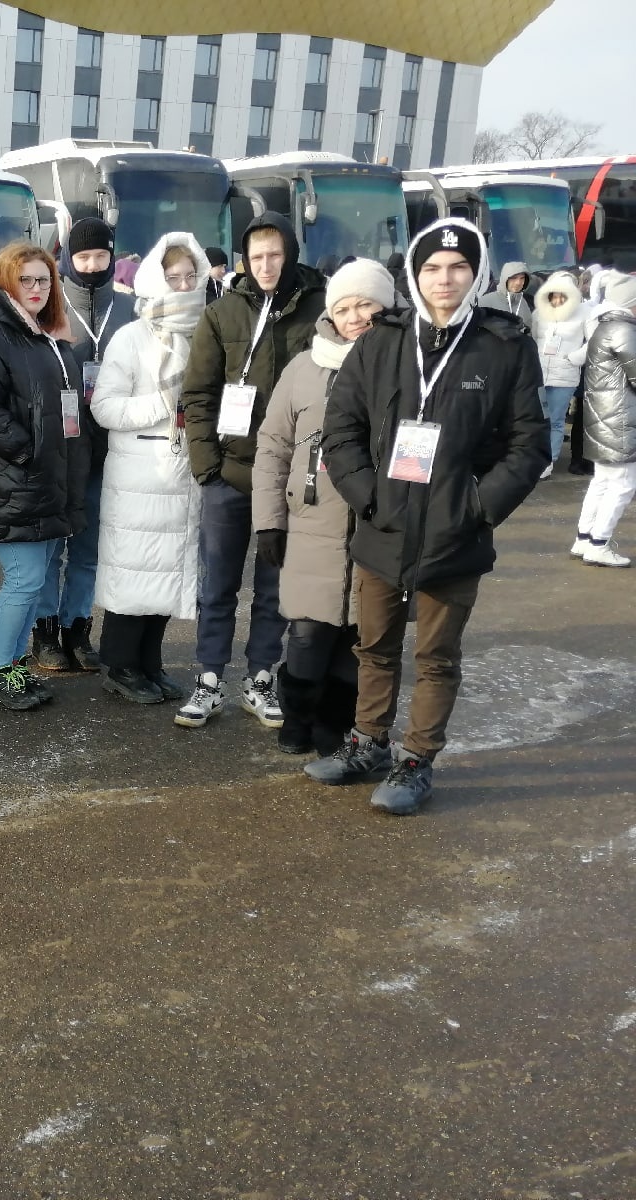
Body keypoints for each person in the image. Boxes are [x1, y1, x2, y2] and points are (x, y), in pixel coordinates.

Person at [313, 218, 548, 814]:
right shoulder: (381, 340)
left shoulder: (504, 346)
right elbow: (341, 429)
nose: (445, 279)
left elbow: (529, 446)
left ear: (477, 275)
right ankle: (368, 741)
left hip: (455, 533)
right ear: (415, 277)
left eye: (458, 268)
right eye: (432, 269)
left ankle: (416, 760)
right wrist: (366, 495)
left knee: (437, 656)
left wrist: (477, 506)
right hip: (383, 525)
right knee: (374, 646)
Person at [178, 212, 326, 730]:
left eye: (275, 254)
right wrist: (207, 466)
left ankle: (260, 677)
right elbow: (196, 393)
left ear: (291, 253)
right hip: (230, 473)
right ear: (245, 258)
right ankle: (209, 677)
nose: (265, 265)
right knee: (217, 583)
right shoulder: (223, 313)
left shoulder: (319, 309)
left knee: (274, 587)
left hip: (289, 480)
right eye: (256, 256)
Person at [252, 258, 398, 757]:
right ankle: (297, 715)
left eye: (366, 304)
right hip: (312, 524)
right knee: (310, 633)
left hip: (378, 526)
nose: (354, 315)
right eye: (343, 307)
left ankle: (334, 723)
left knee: (359, 638)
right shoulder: (304, 367)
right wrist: (269, 521)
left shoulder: (406, 366)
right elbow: (272, 446)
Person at [0, 242, 87, 711]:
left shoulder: (45, 334)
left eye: (44, 280)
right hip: (15, 480)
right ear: (6, 282)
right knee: (23, 580)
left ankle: (13, 667)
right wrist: (31, 453)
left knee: (34, 581)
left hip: (50, 477)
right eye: (26, 280)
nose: (36, 288)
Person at [90, 233, 209, 705]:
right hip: (141, 476)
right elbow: (105, 408)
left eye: (189, 276)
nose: (181, 285)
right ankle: (119, 663)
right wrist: (163, 400)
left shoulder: (206, 332)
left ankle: (149, 663)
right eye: (172, 277)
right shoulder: (132, 337)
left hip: (185, 473)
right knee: (134, 573)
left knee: (167, 574)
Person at [33, 216, 132, 673]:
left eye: (100, 255)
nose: (92, 264)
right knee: (51, 547)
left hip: (110, 449)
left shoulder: (129, 310)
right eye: (83, 256)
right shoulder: (50, 306)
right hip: (59, 450)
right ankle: (45, 632)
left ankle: (78, 629)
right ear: (68, 259)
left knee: (90, 548)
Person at [571, 271, 636, 567]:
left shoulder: (605, 326)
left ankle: (585, 538)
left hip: (604, 418)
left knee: (602, 482)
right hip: (620, 420)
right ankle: (599, 542)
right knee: (622, 484)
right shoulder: (624, 330)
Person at [530, 271, 587, 477]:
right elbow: (533, 339)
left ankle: (549, 460)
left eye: (564, 294)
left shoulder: (583, 313)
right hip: (539, 373)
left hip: (565, 376)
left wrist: (575, 357)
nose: (559, 298)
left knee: (555, 418)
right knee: (537, 417)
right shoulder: (539, 313)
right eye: (555, 293)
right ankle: (535, 455)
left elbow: (593, 341)